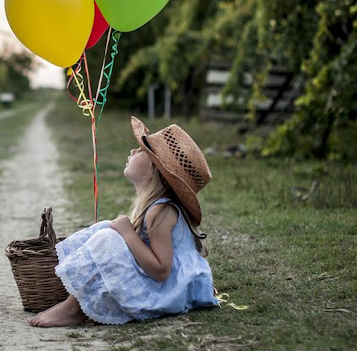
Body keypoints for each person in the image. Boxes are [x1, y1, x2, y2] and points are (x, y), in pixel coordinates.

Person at [29, 116, 219, 327]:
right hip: (169, 287)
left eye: (141, 151)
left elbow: (161, 271)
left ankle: (74, 310)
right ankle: (75, 297)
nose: (132, 152)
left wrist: (127, 233)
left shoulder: (161, 211)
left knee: (109, 237)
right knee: (106, 229)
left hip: (169, 292)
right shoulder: (156, 207)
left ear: (154, 170)